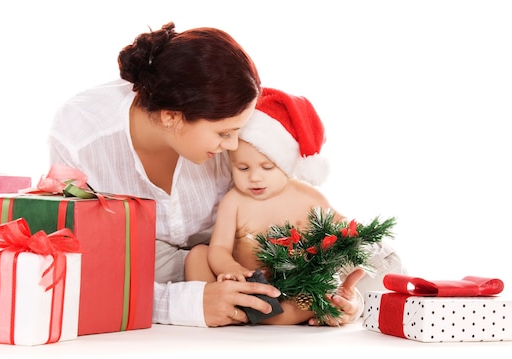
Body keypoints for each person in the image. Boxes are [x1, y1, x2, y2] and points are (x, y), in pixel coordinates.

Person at [48, 22, 373, 327]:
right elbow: (77, 271)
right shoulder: (81, 134)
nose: (233, 146)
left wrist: (333, 291)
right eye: (223, 134)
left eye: (238, 131)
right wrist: (187, 304)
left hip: (242, 252)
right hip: (138, 262)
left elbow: (304, 222)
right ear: (171, 117)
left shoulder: (238, 144)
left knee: (370, 271)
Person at [185, 87, 405, 325]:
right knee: (197, 255)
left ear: (287, 164)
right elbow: (218, 248)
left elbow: (339, 226)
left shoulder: (308, 198)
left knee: (325, 278)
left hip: (295, 285)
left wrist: (353, 235)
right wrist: (231, 268)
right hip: (245, 286)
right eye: (243, 168)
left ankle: (329, 307)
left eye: (267, 168)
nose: (255, 177)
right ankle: (220, 309)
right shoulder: (234, 201)